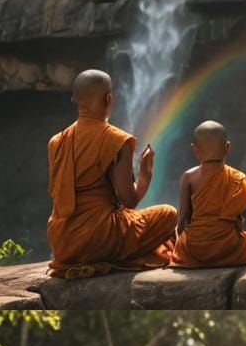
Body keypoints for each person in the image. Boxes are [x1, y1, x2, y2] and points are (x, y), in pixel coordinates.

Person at [46, 71, 177, 278]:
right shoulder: (116, 140)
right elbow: (129, 200)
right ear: (109, 98)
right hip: (99, 237)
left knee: (128, 218)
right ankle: (112, 255)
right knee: (168, 213)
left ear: (75, 100)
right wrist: (145, 176)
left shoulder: (56, 142)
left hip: (62, 242)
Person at [167, 124, 246, 269]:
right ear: (227, 147)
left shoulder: (188, 177)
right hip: (228, 249)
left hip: (195, 248)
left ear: (195, 150)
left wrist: (181, 243)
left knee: (173, 244)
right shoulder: (237, 177)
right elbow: (238, 221)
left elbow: (183, 220)